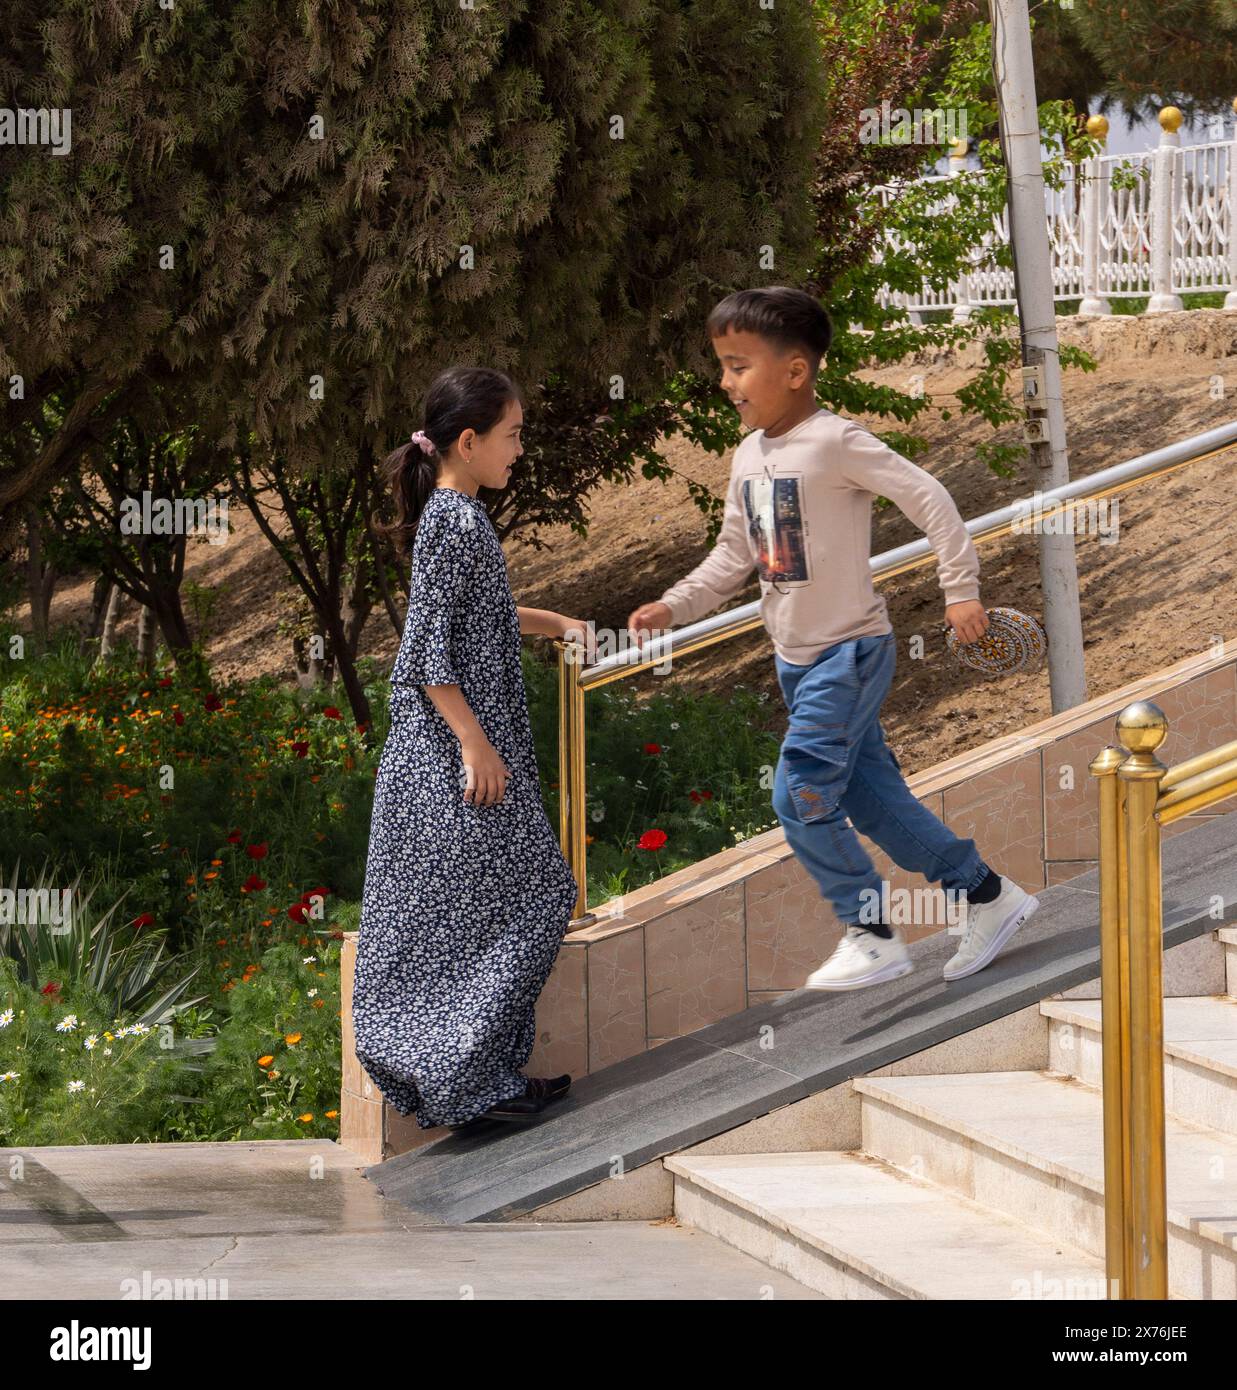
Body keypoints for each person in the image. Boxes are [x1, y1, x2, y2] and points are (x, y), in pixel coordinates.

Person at [627, 287, 1039, 990]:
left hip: (848, 653)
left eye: (737, 366)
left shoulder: (836, 441)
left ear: (794, 371)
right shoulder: (749, 454)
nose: (724, 382)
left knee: (799, 794)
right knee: (875, 804)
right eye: (720, 366)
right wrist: (673, 605)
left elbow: (929, 498)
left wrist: (960, 588)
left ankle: (870, 929)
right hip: (796, 662)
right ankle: (987, 895)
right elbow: (736, 555)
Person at [353, 366, 595, 1127]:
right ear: (469, 440)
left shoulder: (456, 519)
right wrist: (474, 748)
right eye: (513, 435)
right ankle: (466, 1084)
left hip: (455, 755)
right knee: (539, 893)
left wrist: (553, 622)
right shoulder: (453, 523)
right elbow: (423, 653)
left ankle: (484, 1077)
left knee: (499, 904)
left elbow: (479, 614)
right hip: (451, 761)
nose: (519, 450)